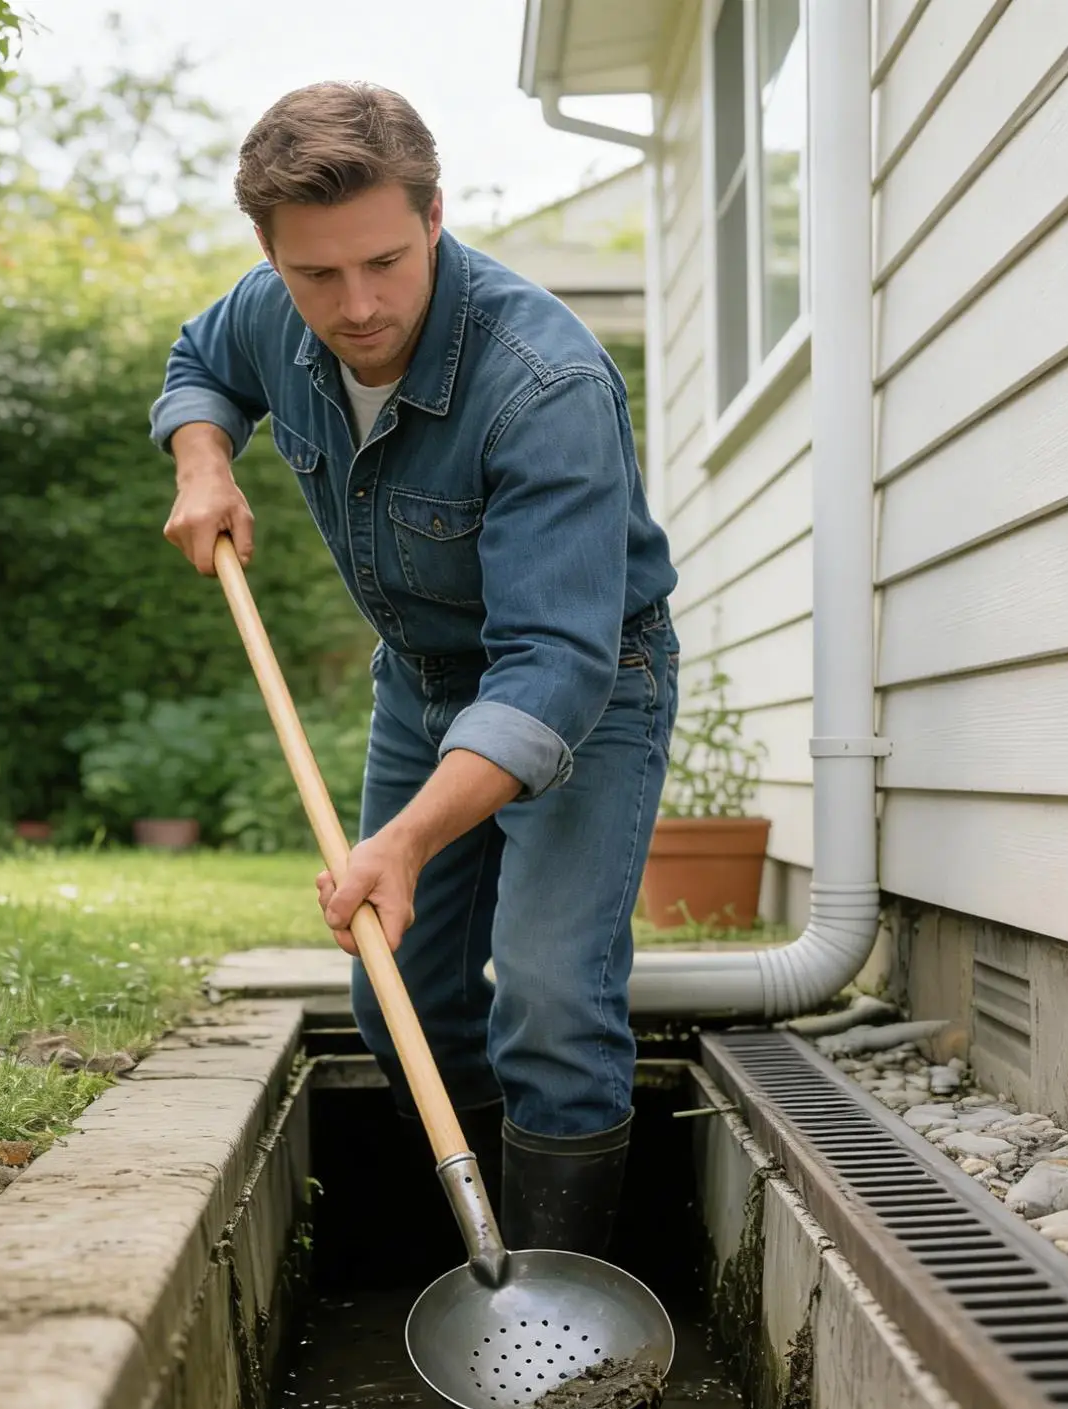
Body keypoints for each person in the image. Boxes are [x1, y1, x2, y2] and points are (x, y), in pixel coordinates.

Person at [154, 81, 679, 1258]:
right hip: (424, 680)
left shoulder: (544, 385)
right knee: (397, 996)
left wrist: (401, 840)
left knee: (548, 995)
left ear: (435, 213)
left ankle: (563, 1315)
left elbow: (551, 665)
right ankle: (483, 1257)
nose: (357, 305)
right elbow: (200, 363)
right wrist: (202, 462)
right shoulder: (271, 312)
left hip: (582, 689)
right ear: (270, 252)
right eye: (317, 276)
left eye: (385, 261)